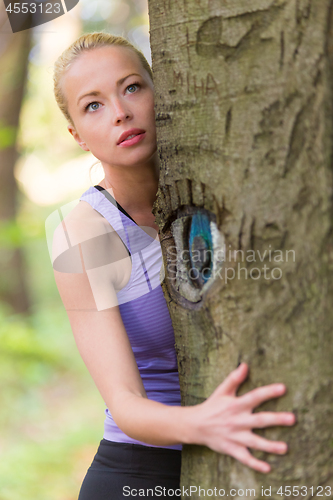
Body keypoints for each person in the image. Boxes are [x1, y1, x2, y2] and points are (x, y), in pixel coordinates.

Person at [51, 32, 296, 499]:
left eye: (131, 87)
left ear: (160, 90)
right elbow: (124, 403)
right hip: (140, 472)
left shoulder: (221, 184)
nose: (120, 112)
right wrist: (203, 423)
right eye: (93, 106)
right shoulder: (84, 235)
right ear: (77, 136)